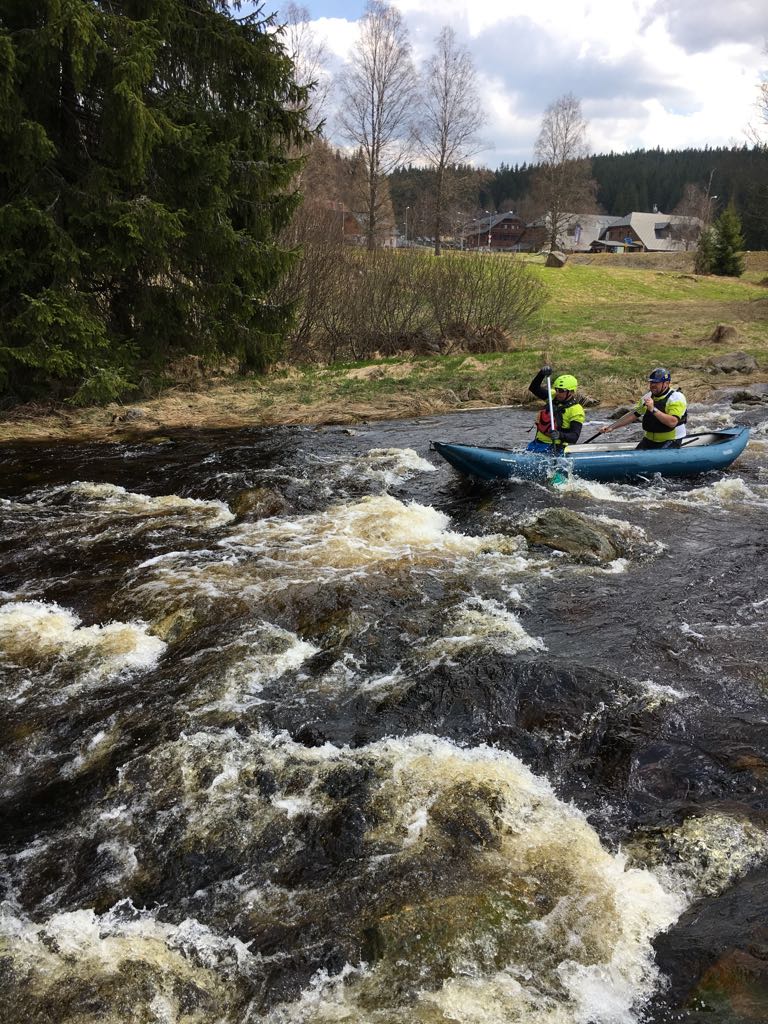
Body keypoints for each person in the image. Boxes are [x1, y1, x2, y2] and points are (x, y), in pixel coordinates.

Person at [598, 367, 687, 449]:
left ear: (666, 383)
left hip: (671, 440)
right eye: (651, 382)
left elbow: (672, 422)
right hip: (649, 440)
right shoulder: (648, 396)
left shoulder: (676, 398)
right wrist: (611, 427)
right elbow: (633, 415)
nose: (652, 385)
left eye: (656, 383)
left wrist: (653, 409)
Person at [527, 366, 585, 452]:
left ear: (571, 392)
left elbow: (574, 437)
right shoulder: (553, 396)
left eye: (561, 391)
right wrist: (541, 373)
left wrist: (559, 435)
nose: (557, 393)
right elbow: (534, 388)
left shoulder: (576, 410)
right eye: (556, 389)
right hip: (537, 444)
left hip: (556, 448)